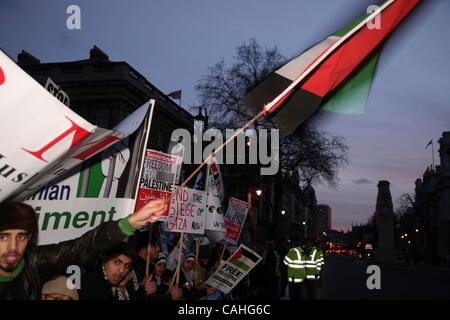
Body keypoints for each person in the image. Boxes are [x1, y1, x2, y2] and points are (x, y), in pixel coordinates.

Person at [0, 199, 167, 300]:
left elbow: (82, 247)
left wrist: (132, 222)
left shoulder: (34, 261)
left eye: (21, 237)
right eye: (3, 237)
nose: (13, 247)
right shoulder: (94, 285)